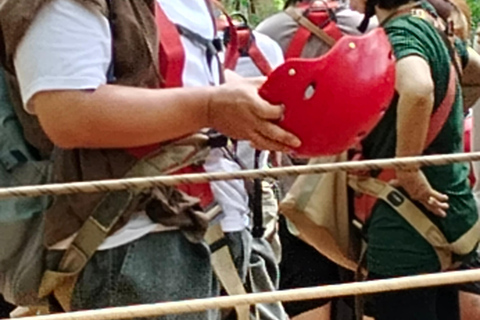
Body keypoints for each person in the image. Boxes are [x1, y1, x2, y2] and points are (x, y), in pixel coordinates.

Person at [0, 0, 300, 317]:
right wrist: (209, 107)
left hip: (216, 228)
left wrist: (258, 101)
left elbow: (180, 80)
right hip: (133, 246)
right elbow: (67, 113)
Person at [347, 0, 480, 319]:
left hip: (404, 223)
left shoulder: (401, 32)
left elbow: (418, 88)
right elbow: (475, 73)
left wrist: (408, 167)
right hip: (452, 213)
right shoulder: (438, 30)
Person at [256, 2, 376, 319]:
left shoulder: (267, 33)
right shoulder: (370, 29)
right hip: (357, 191)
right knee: (369, 294)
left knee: (308, 293)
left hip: (295, 196)